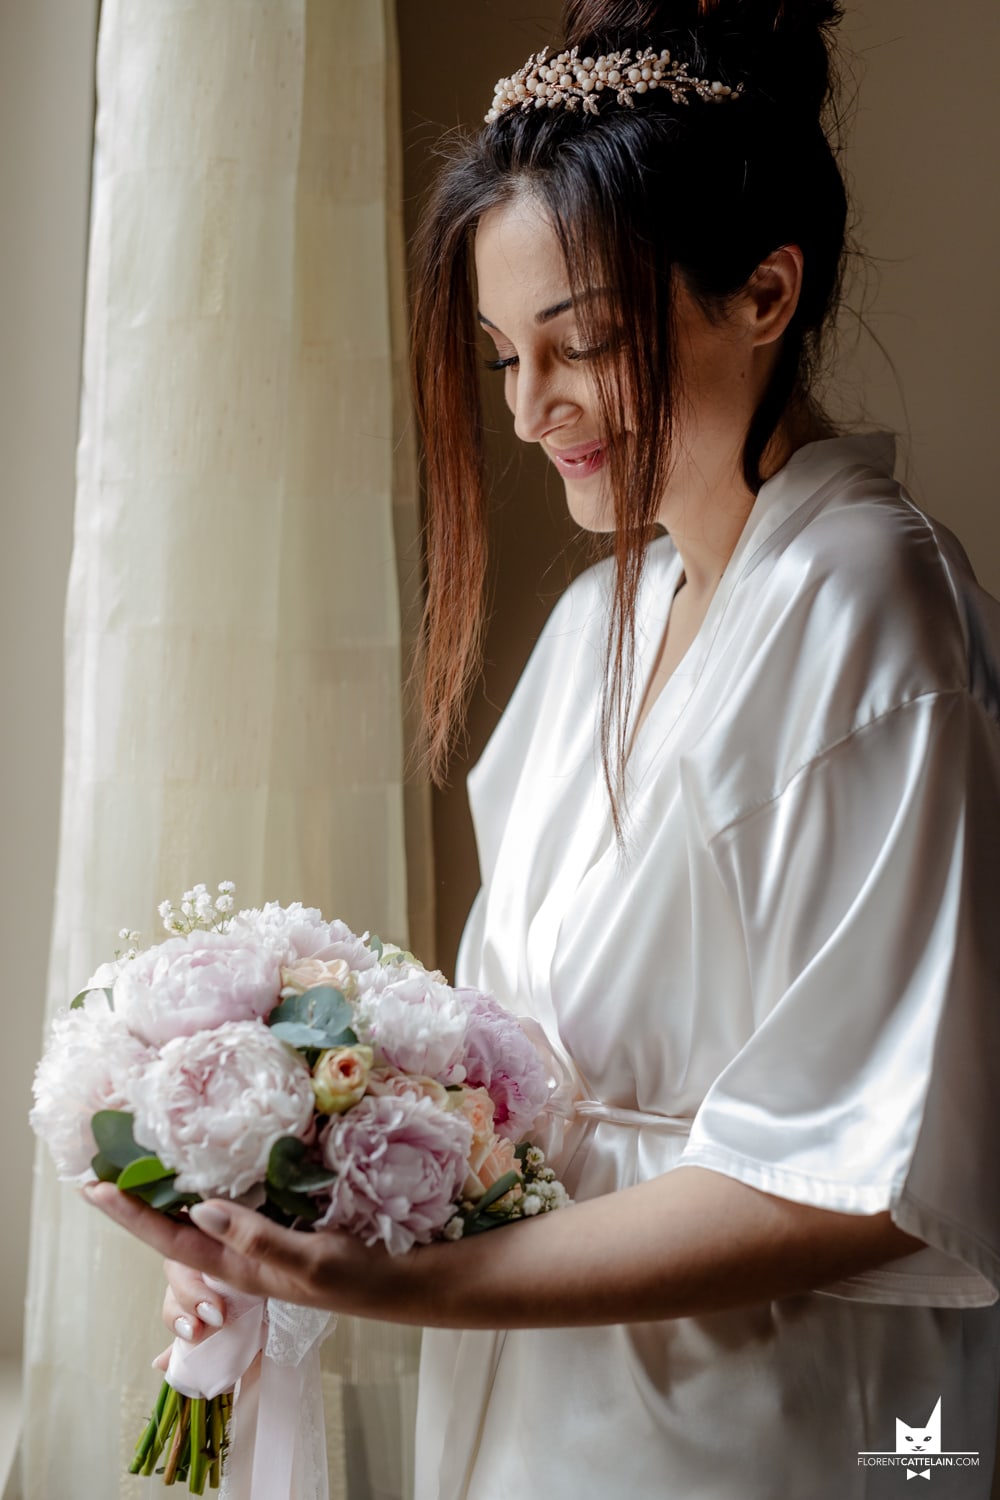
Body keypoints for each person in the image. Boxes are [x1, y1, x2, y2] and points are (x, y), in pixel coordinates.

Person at [86, 1, 1000, 1495]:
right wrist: (288, 1210)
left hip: (759, 1404)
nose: (531, 411)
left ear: (765, 292)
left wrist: (411, 1287)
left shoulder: (871, 608)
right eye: (507, 356)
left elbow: (873, 1177)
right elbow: (506, 1079)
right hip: (540, 1376)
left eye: (579, 346)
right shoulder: (599, 625)